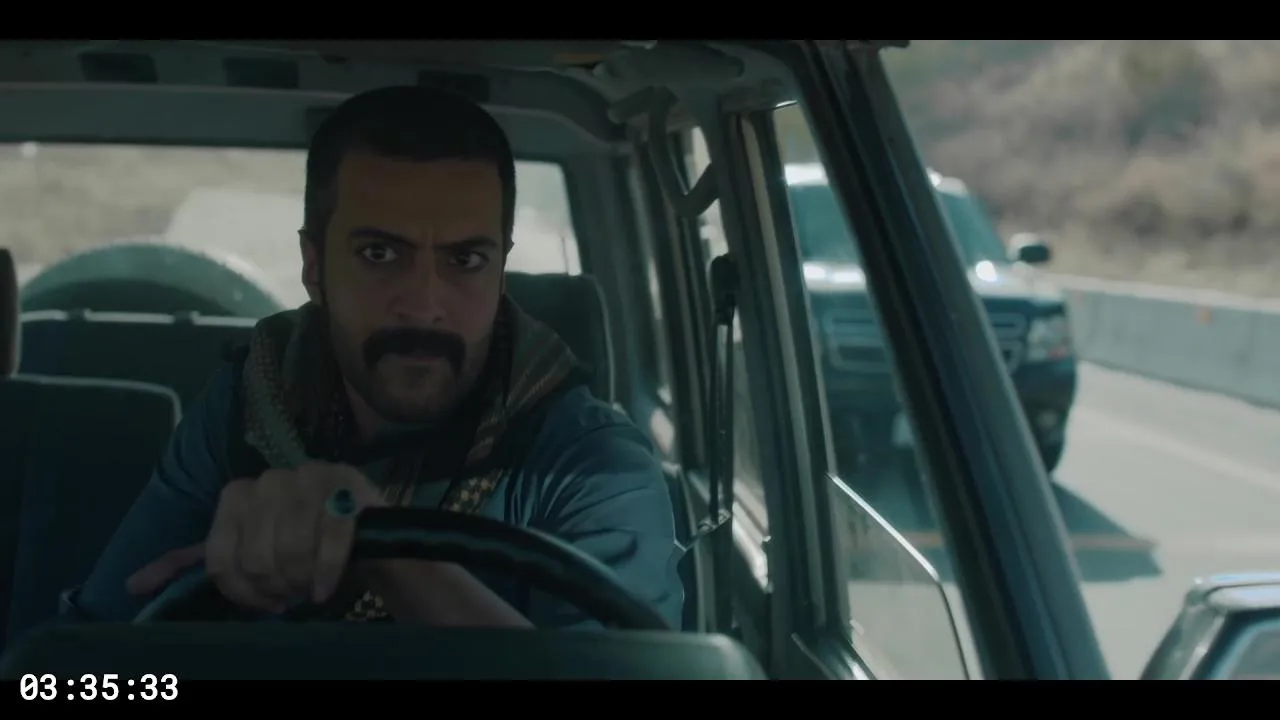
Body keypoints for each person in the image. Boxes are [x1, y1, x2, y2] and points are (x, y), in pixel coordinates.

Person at [60, 86, 684, 628]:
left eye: (465, 259)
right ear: (314, 267)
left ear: (500, 272)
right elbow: (83, 671)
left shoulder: (591, 463)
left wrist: (381, 549)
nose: (425, 306)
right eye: (379, 255)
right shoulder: (246, 406)